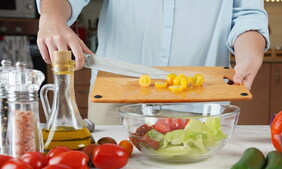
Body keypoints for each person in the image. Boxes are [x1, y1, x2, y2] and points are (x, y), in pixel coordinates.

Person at [36, 0, 270, 125]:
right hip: (115, 103)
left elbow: (247, 15)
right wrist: (51, 17)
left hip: (200, 106)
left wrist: (251, 56)